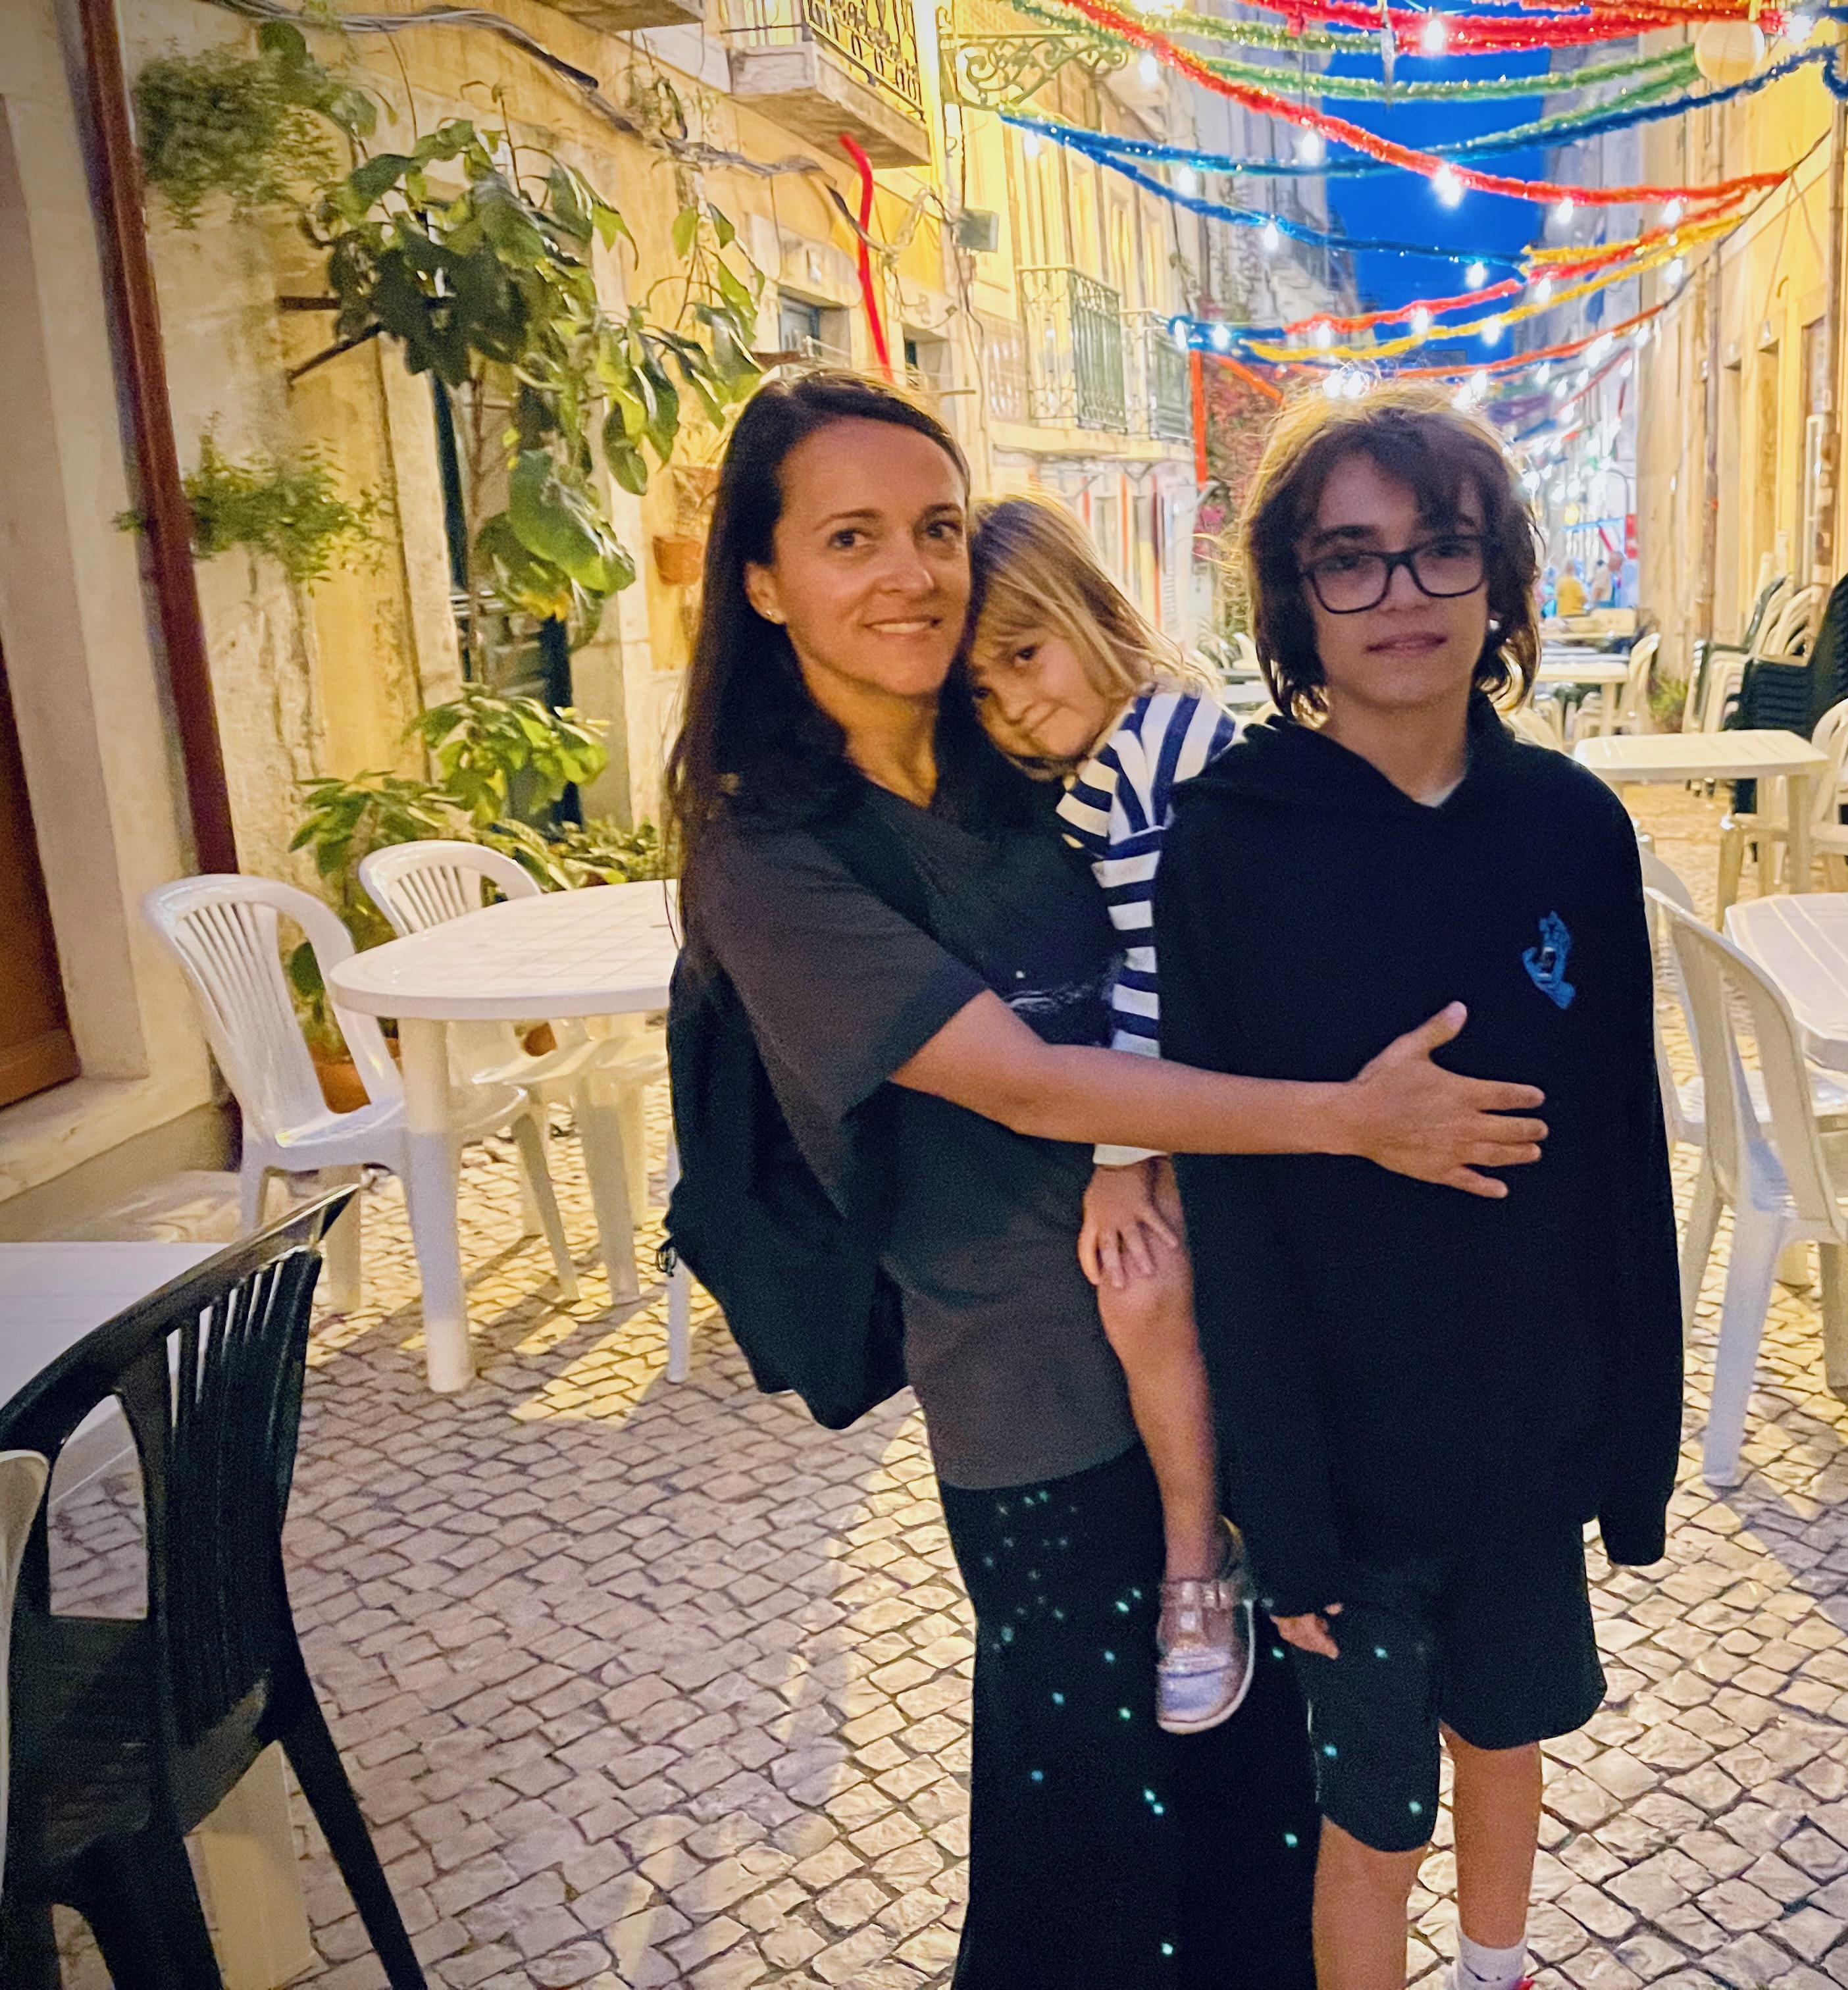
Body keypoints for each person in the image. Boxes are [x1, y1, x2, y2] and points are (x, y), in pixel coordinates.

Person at [667, 370, 1554, 1989]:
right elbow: (1025, 1080)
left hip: (1242, 1348)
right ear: (764, 579)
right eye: (851, 537)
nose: (912, 573)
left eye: (937, 528)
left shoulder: (1025, 765)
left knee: (1261, 1819)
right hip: (1035, 1404)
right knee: (1085, 1847)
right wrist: (1352, 1121)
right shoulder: (773, 858)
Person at [1154, 385, 1684, 1990]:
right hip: (1350, 1456)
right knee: (1371, 1825)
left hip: (1529, 1430)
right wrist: (1284, 1505)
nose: (1401, 595)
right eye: (1351, 558)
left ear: (1501, 580)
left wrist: (1633, 1444)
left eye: (1442, 549)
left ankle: (1498, 1968)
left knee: (1508, 1741)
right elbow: (1224, 1187)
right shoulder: (1230, 843)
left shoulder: (1574, 827)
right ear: (1294, 602)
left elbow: (1623, 1154)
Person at [960, 490, 1250, 1736]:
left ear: (1089, 611)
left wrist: (1121, 1157)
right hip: (1218, 1083)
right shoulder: (1110, 762)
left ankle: (1197, 1559)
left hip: (1244, 1083)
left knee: (1141, 1287)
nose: (1015, 705)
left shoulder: (1160, 751)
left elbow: (1165, 968)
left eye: (1026, 656)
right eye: (984, 690)